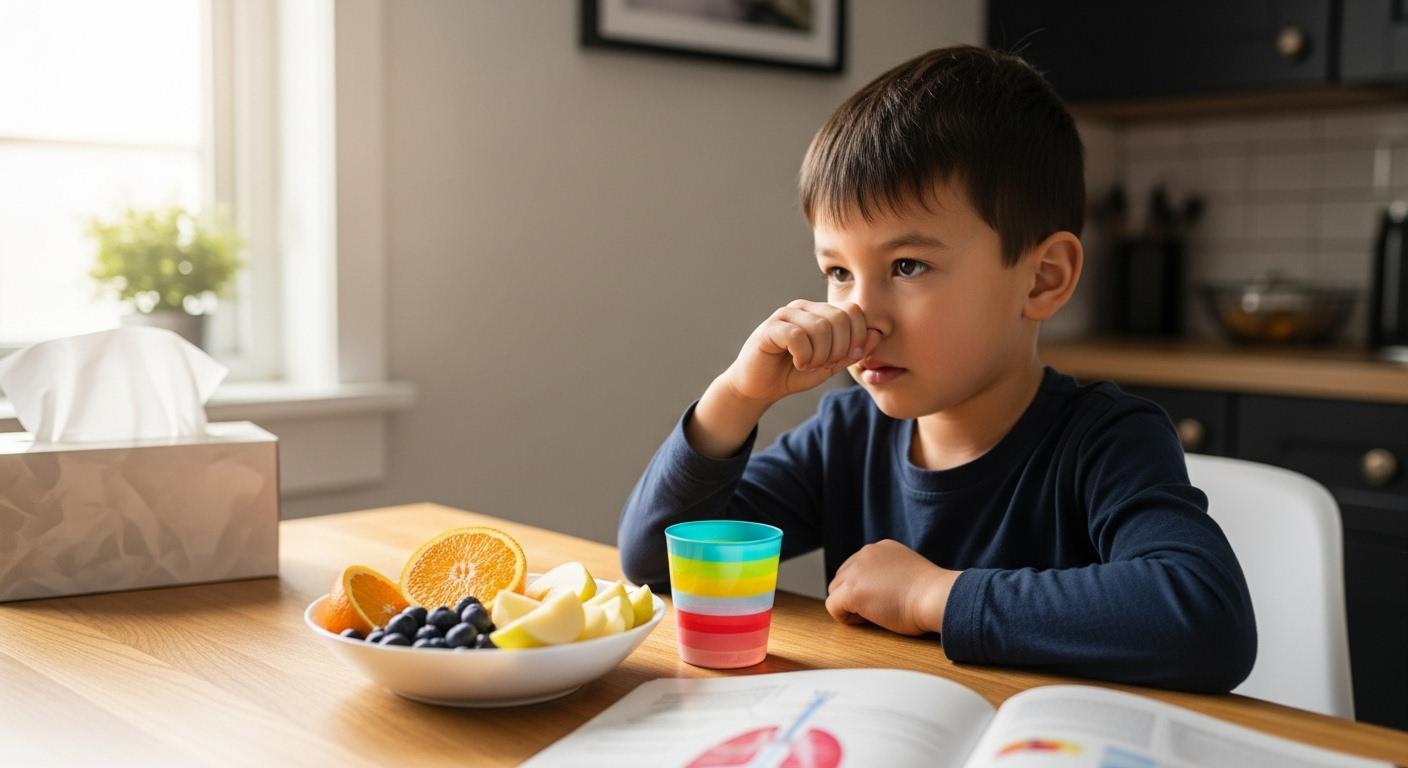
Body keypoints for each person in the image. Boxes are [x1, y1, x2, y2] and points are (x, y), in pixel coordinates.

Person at [617, 45, 1256, 692]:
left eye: (908, 267)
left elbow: (1207, 621)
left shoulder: (1107, 441)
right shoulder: (847, 436)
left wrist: (936, 596)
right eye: (838, 272)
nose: (863, 318)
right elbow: (655, 564)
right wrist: (738, 395)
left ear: (1043, 278)